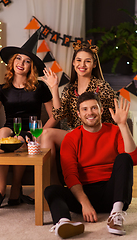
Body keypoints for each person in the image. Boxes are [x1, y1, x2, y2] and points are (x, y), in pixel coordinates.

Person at [44, 92, 137, 239]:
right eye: (84, 109)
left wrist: (122, 125)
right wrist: (85, 203)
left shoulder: (115, 131)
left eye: (94, 108)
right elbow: (70, 175)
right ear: (78, 113)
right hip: (84, 193)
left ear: (101, 110)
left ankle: (116, 215)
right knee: (51, 190)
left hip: (113, 193)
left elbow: (133, 160)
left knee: (124, 158)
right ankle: (63, 222)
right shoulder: (70, 138)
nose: (90, 112)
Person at [0, 41, 58, 209]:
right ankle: (0, 190)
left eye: (27, 61)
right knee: (1, 134)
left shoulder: (40, 87)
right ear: (12, 62)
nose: (21, 63)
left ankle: (16, 186)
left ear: (32, 66)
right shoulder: (2, 89)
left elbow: (55, 116)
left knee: (21, 141)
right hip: (10, 127)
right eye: (18, 59)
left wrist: (40, 133)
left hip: (31, 129)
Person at [40, 42, 117, 186]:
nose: (83, 64)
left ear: (94, 64)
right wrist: (54, 88)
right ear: (74, 63)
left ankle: (52, 187)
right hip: (75, 135)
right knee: (45, 135)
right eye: (79, 60)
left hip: (95, 136)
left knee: (47, 134)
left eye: (87, 61)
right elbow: (58, 114)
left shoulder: (102, 87)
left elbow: (110, 118)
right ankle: (52, 186)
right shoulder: (70, 89)